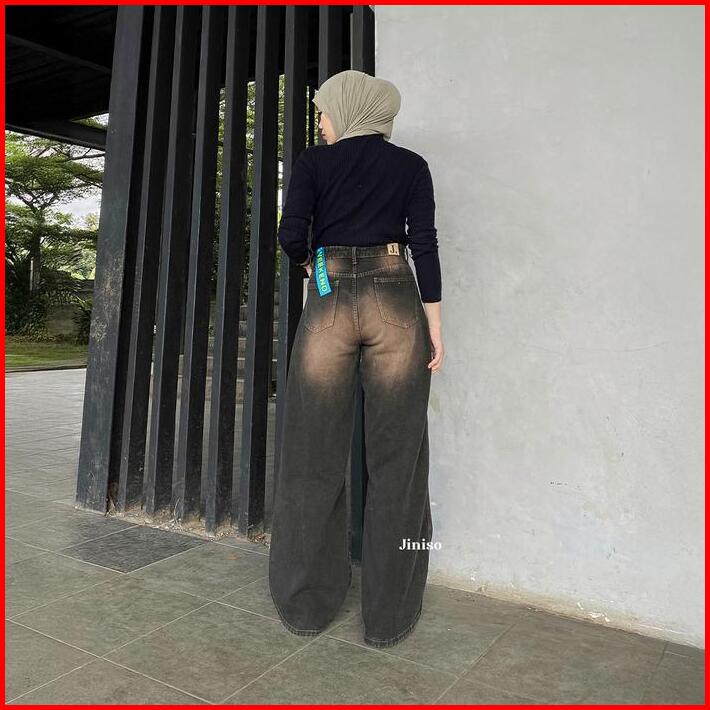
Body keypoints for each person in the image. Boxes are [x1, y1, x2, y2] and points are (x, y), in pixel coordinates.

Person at [268, 69, 444, 649]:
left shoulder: (313, 164)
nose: (321, 122)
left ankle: (306, 606)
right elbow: (425, 244)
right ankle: (389, 616)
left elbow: (291, 234)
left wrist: (313, 264)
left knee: (312, 453)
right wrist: (434, 327)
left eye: (324, 111)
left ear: (347, 109)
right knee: (399, 459)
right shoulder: (411, 166)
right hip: (397, 294)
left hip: (329, 294)